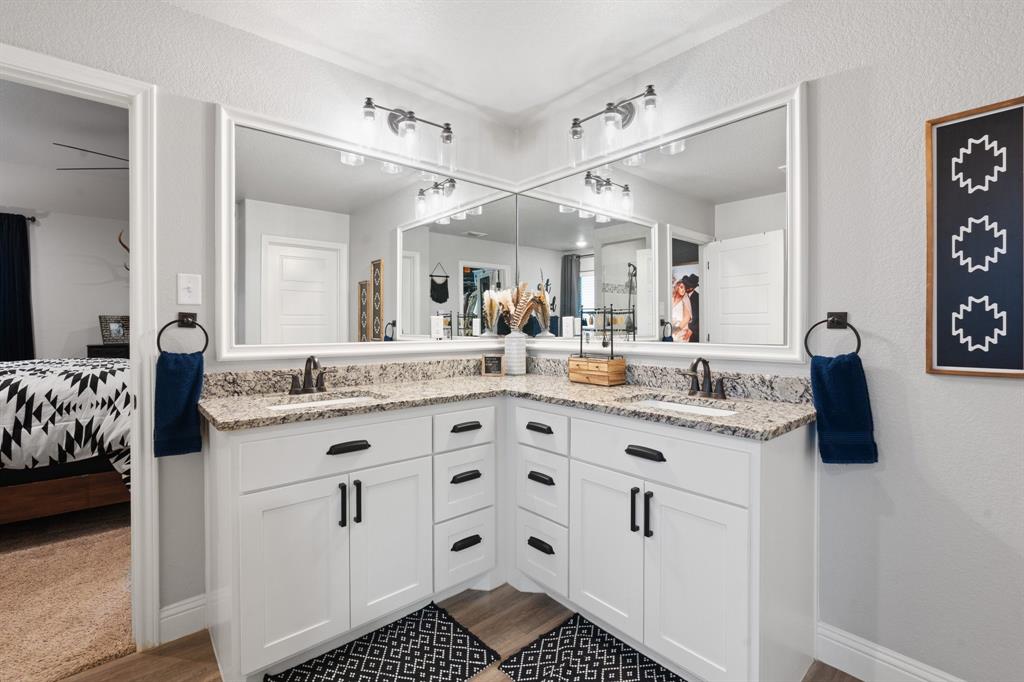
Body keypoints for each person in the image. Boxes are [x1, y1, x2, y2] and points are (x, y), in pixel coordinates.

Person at [683, 275, 700, 343]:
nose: (685, 287)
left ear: (692, 288)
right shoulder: (683, 295)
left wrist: (691, 330)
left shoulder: (698, 298)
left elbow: (699, 317)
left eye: (688, 286)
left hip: (693, 333)